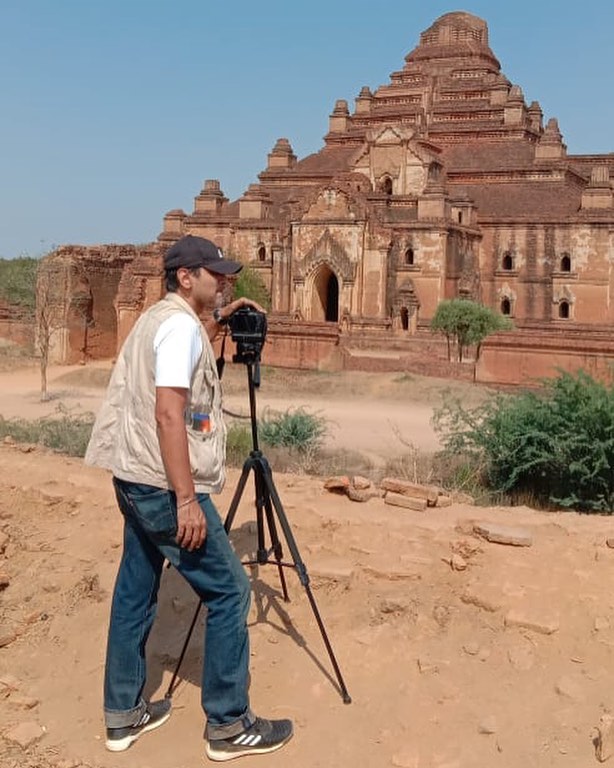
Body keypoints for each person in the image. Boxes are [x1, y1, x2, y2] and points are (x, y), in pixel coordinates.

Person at [84, 235, 293, 761]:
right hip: (163, 487)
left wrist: (217, 324)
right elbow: (170, 414)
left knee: (135, 589)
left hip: (132, 476)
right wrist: (185, 501)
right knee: (230, 593)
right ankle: (228, 724)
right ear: (185, 277)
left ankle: (122, 714)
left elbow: (170, 372)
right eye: (214, 274)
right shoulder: (178, 328)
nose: (224, 281)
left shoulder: (162, 320)